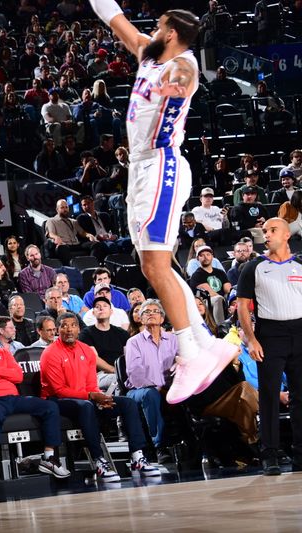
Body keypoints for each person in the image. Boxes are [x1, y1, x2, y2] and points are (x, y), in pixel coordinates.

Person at [86, 2, 238, 403]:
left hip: (161, 165)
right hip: (140, 169)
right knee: (155, 265)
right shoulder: (149, 54)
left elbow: (186, 77)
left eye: (158, 26)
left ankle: (190, 353)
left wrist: (174, 86)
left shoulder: (182, 64)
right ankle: (206, 342)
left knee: (155, 265)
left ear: (171, 33)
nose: (150, 29)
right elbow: (114, 17)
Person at [41, 313, 161, 481]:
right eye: (64, 325)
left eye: (73, 325)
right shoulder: (50, 353)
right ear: (57, 330)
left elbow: (91, 384)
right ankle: (99, 461)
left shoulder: (87, 351)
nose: (69, 329)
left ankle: (137, 456)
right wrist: (91, 396)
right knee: (86, 406)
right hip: (58, 402)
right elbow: (59, 390)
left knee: (127, 403)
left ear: (78, 329)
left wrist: (100, 397)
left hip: (86, 398)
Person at [0, 315, 70, 483]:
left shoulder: (2, 353)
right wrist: (3, 375)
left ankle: (48, 457)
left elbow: (18, 376)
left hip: (12, 398)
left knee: (50, 407)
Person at [237, 218, 302, 475]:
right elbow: (242, 305)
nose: (267, 234)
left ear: (286, 235)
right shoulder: (254, 266)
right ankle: (270, 455)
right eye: (264, 231)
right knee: (269, 397)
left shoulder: (299, 263)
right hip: (270, 335)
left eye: (272, 230)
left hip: (300, 331)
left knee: (300, 398)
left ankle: (300, 455)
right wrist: (252, 339)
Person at [123, 299, 177, 452]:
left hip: (169, 389)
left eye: (155, 311)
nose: (151, 314)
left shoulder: (173, 339)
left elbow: (181, 364)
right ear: (140, 318)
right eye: (147, 311)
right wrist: (158, 387)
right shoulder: (134, 342)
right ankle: (159, 445)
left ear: (162, 318)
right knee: (152, 394)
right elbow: (135, 374)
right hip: (139, 390)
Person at [79, 295, 131, 394]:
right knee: (118, 380)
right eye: (97, 306)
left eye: (105, 306)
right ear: (93, 313)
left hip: (122, 372)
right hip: (99, 374)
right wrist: (115, 370)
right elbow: (94, 358)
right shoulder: (86, 333)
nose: (101, 308)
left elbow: (128, 356)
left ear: (111, 311)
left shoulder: (122, 333)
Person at [189, 245, 231, 324]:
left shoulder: (220, 272)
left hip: (222, 298)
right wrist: (224, 299)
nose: (205, 257)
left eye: (208, 254)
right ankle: (221, 326)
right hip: (205, 300)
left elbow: (228, 289)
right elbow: (210, 292)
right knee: (218, 299)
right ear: (198, 258)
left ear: (212, 256)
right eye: (202, 255)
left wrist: (231, 297)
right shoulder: (197, 275)